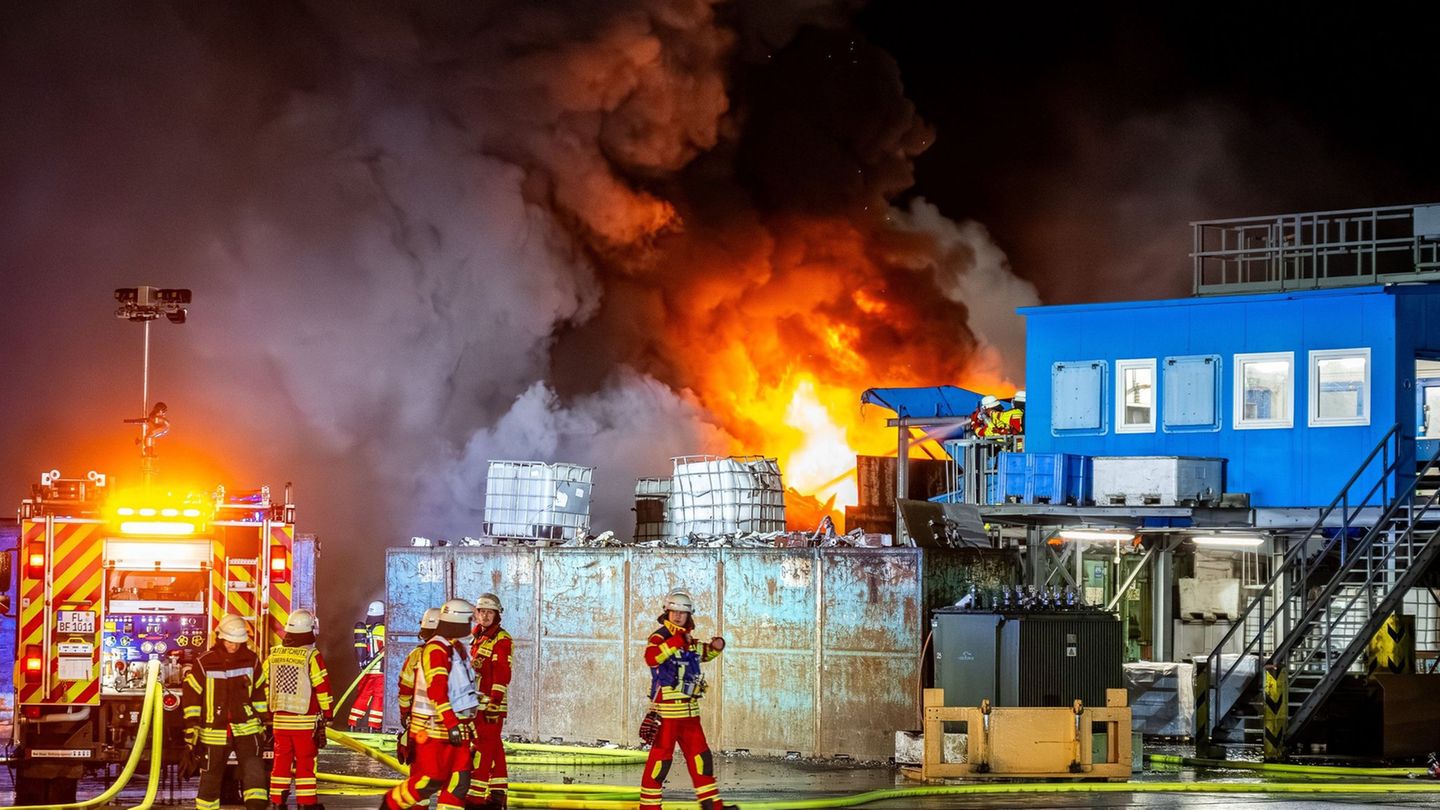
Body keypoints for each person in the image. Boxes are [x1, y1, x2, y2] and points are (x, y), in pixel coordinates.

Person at [639, 590, 734, 810]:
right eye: (674, 611)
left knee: (702, 760)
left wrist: (716, 647)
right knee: (660, 763)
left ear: (688, 615)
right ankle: (649, 807)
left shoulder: (689, 638)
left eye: (683, 612)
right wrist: (675, 642)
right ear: (667, 611)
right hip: (667, 714)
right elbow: (651, 657)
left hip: (691, 714)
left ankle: (713, 805)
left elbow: (701, 654)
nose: (678, 616)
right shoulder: (660, 636)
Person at [380, 599, 479, 810]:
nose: (472, 626)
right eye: (469, 620)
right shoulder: (436, 650)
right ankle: (391, 804)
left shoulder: (455, 649)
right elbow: (436, 690)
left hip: (455, 729)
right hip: (434, 730)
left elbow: (461, 692)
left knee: (459, 783)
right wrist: (451, 723)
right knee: (429, 781)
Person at [182, 613, 268, 810]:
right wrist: (192, 725)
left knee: (255, 774)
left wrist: (263, 720)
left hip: (247, 728)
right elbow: (192, 696)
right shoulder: (205, 662)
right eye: (230, 641)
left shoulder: (251, 660)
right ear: (220, 638)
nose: (233, 646)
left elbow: (259, 693)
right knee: (211, 777)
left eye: (237, 642)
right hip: (214, 731)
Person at [256, 609, 333, 810]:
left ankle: (277, 802)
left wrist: (266, 711)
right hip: (304, 721)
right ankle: (306, 804)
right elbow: (322, 687)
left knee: (280, 763)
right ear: (310, 631)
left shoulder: (274, 655)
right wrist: (328, 713)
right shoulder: (311, 656)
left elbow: (263, 684)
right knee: (305, 764)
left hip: (280, 722)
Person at [465, 593, 513, 810]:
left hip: (490, 705)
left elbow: (501, 673)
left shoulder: (501, 639)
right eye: (481, 611)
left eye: (489, 612)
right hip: (478, 703)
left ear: (497, 615)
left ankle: (475, 799)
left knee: (483, 749)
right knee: (494, 748)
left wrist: (495, 701)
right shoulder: (477, 637)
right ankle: (497, 794)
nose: (484, 616)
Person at [396, 607, 442, 765]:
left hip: (419, 721)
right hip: (444, 722)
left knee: (420, 769)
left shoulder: (416, 655)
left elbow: (405, 688)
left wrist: (404, 713)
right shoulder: (453, 655)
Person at [351, 599, 387, 732]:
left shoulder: (364, 630)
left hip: (365, 671)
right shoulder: (383, 630)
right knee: (379, 697)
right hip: (380, 672)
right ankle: (374, 726)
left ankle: (352, 723)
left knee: (362, 696)